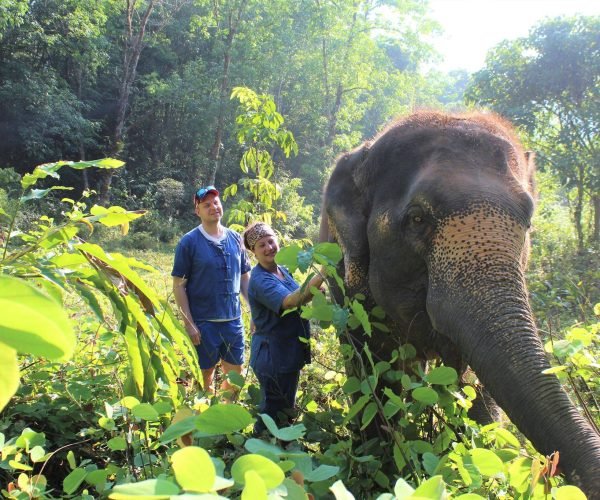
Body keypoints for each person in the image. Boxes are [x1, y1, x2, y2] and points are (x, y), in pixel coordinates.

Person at [243, 221, 324, 432]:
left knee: (286, 406)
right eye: (261, 245)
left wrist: (317, 291)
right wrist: (323, 273)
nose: (269, 247)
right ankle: (262, 449)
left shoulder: (282, 270)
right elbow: (289, 301)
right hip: (273, 356)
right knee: (273, 411)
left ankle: (282, 447)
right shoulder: (260, 279)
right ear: (253, 252)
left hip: (288, 351)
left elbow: (302, 295)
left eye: (271, 241)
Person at [172, 185, 251, 396]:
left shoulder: (235, 239)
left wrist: (255, 311)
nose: (213, 207)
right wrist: (188, 323)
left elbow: (244, 278)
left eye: (215, 202)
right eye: (206, 205)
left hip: (233, 321)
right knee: (204, 374)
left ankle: (226, 417)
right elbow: (179, 285)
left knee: (235, 375)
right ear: (198, 211)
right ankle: (202, 418)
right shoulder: (188, 243)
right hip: (203, 323)